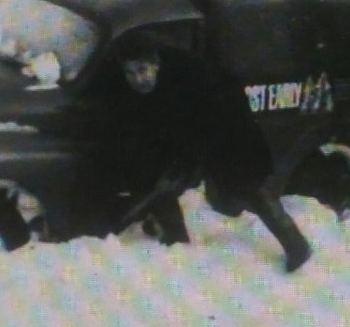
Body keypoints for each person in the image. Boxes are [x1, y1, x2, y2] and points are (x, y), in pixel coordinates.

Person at [101, 38, 312, 271]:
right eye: (130, 73)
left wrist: (187, 158)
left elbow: (208, 119)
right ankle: (176, 242)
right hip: (189, 135)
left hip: (226, 128)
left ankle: (297, 246)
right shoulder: (141, 89)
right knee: (158, 177)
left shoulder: (192, 78)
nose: (138, 79)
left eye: (142, 70)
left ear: (156, 64)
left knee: (247, 186)